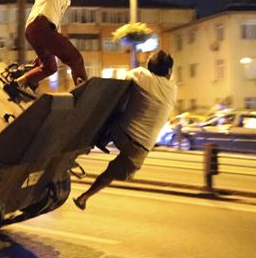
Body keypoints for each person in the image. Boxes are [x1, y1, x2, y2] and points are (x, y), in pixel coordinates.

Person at [73, 51, 178, 210]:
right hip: (140, 150)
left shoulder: (141, 74)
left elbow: (117, 88)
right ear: (169, 71)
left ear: (149, 66)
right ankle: (84, 197)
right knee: (111, 173)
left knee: (119, 107)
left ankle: (96, 140)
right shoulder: (173, 89)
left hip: (120, 132)